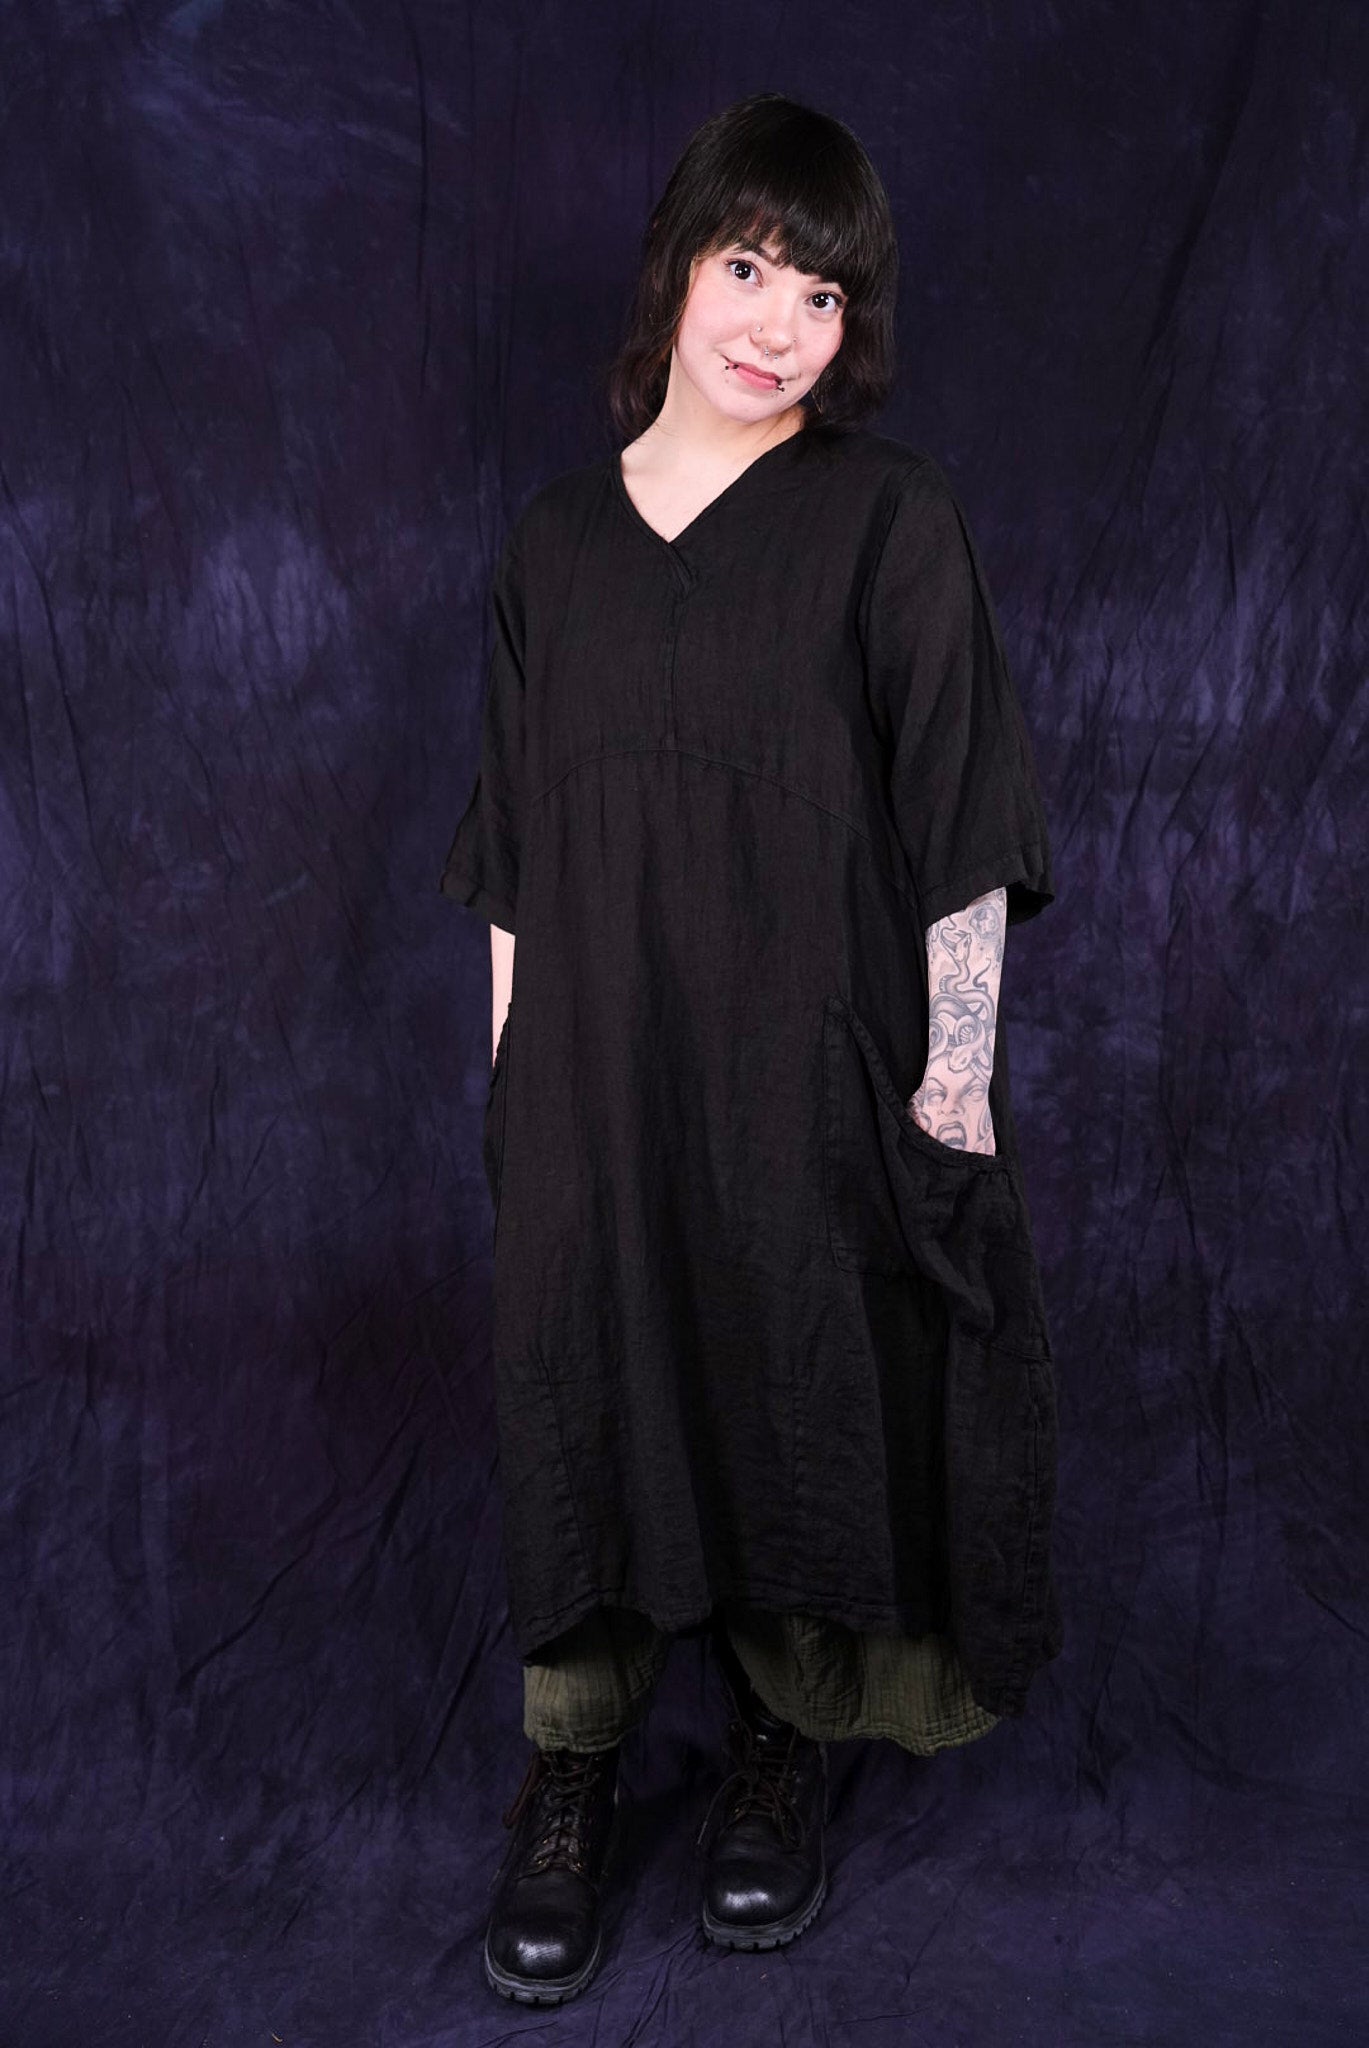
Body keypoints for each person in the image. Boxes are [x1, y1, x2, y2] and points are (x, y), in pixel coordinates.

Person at [440, 92, 1063, 2007]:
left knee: (796, 1387)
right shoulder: (552, 545)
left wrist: (949, 1089)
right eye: (747, 267)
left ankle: (783, 1749)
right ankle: (573, 1768)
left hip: (811, 1079)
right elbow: (511, 863)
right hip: (597, 1089)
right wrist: (513, 1095)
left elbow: (964, 827)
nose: (778, 324)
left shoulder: (887, 520)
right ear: (678, 267)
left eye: (822, 293)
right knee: (588, 1399)